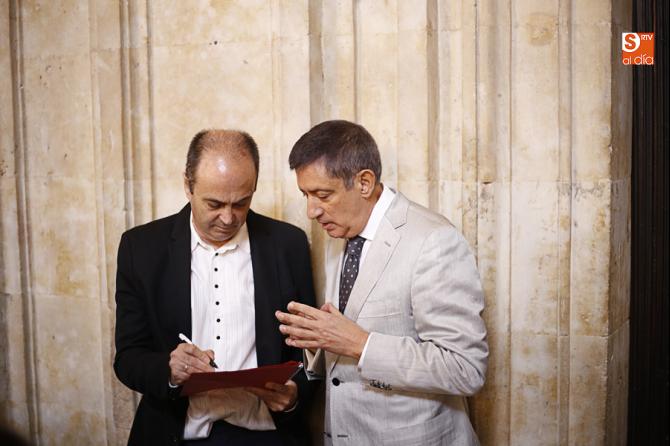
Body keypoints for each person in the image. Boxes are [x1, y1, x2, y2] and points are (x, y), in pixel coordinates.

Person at [276, 120, 488, 445]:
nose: (311, 211)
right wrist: (316, 343)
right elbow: (344, 341)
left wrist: (360, 343)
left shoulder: (433, 240)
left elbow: (464, 368)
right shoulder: (339, 231)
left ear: (364, 182)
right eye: (305, 195)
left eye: (322, 195)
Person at [114, 129, 316, 445]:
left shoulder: (287, 244)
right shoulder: (141, 248)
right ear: (187, 185)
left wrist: (294, 395)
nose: (228, 217)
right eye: (214, 203)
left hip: (268, 434)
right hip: (176, 432)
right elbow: (127, 358)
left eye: (241, 203)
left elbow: (309, 354)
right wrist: (169, 369)